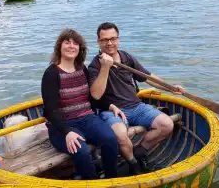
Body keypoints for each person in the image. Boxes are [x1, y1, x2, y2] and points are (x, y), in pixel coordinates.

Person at [88, 22, 185, 174]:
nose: (109, 43)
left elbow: (147, 77)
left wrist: (170, 88)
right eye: (105, 40)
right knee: (120, 135)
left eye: (113, 38)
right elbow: (96, 94)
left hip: (136, 106)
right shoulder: (95, 66)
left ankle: (139, 152)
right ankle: (134, 164)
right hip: (113, 111)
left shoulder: (126, 57)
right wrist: (105, 67)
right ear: (99, 42)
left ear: (118, 39)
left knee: (167, 125)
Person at [41, 29, 120, 179]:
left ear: (80, 48)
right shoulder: (51, 73)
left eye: (75, 43)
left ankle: (111, 179)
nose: (71, 46)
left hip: (86, 118)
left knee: (110, 139)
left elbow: (91, 98)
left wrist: (110, 105)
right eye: (67, 42)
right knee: (82, 151)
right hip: (62, 125)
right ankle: (93, 182)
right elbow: (50, 110)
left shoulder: (82, 69)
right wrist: (67, 132)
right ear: (59, 47)